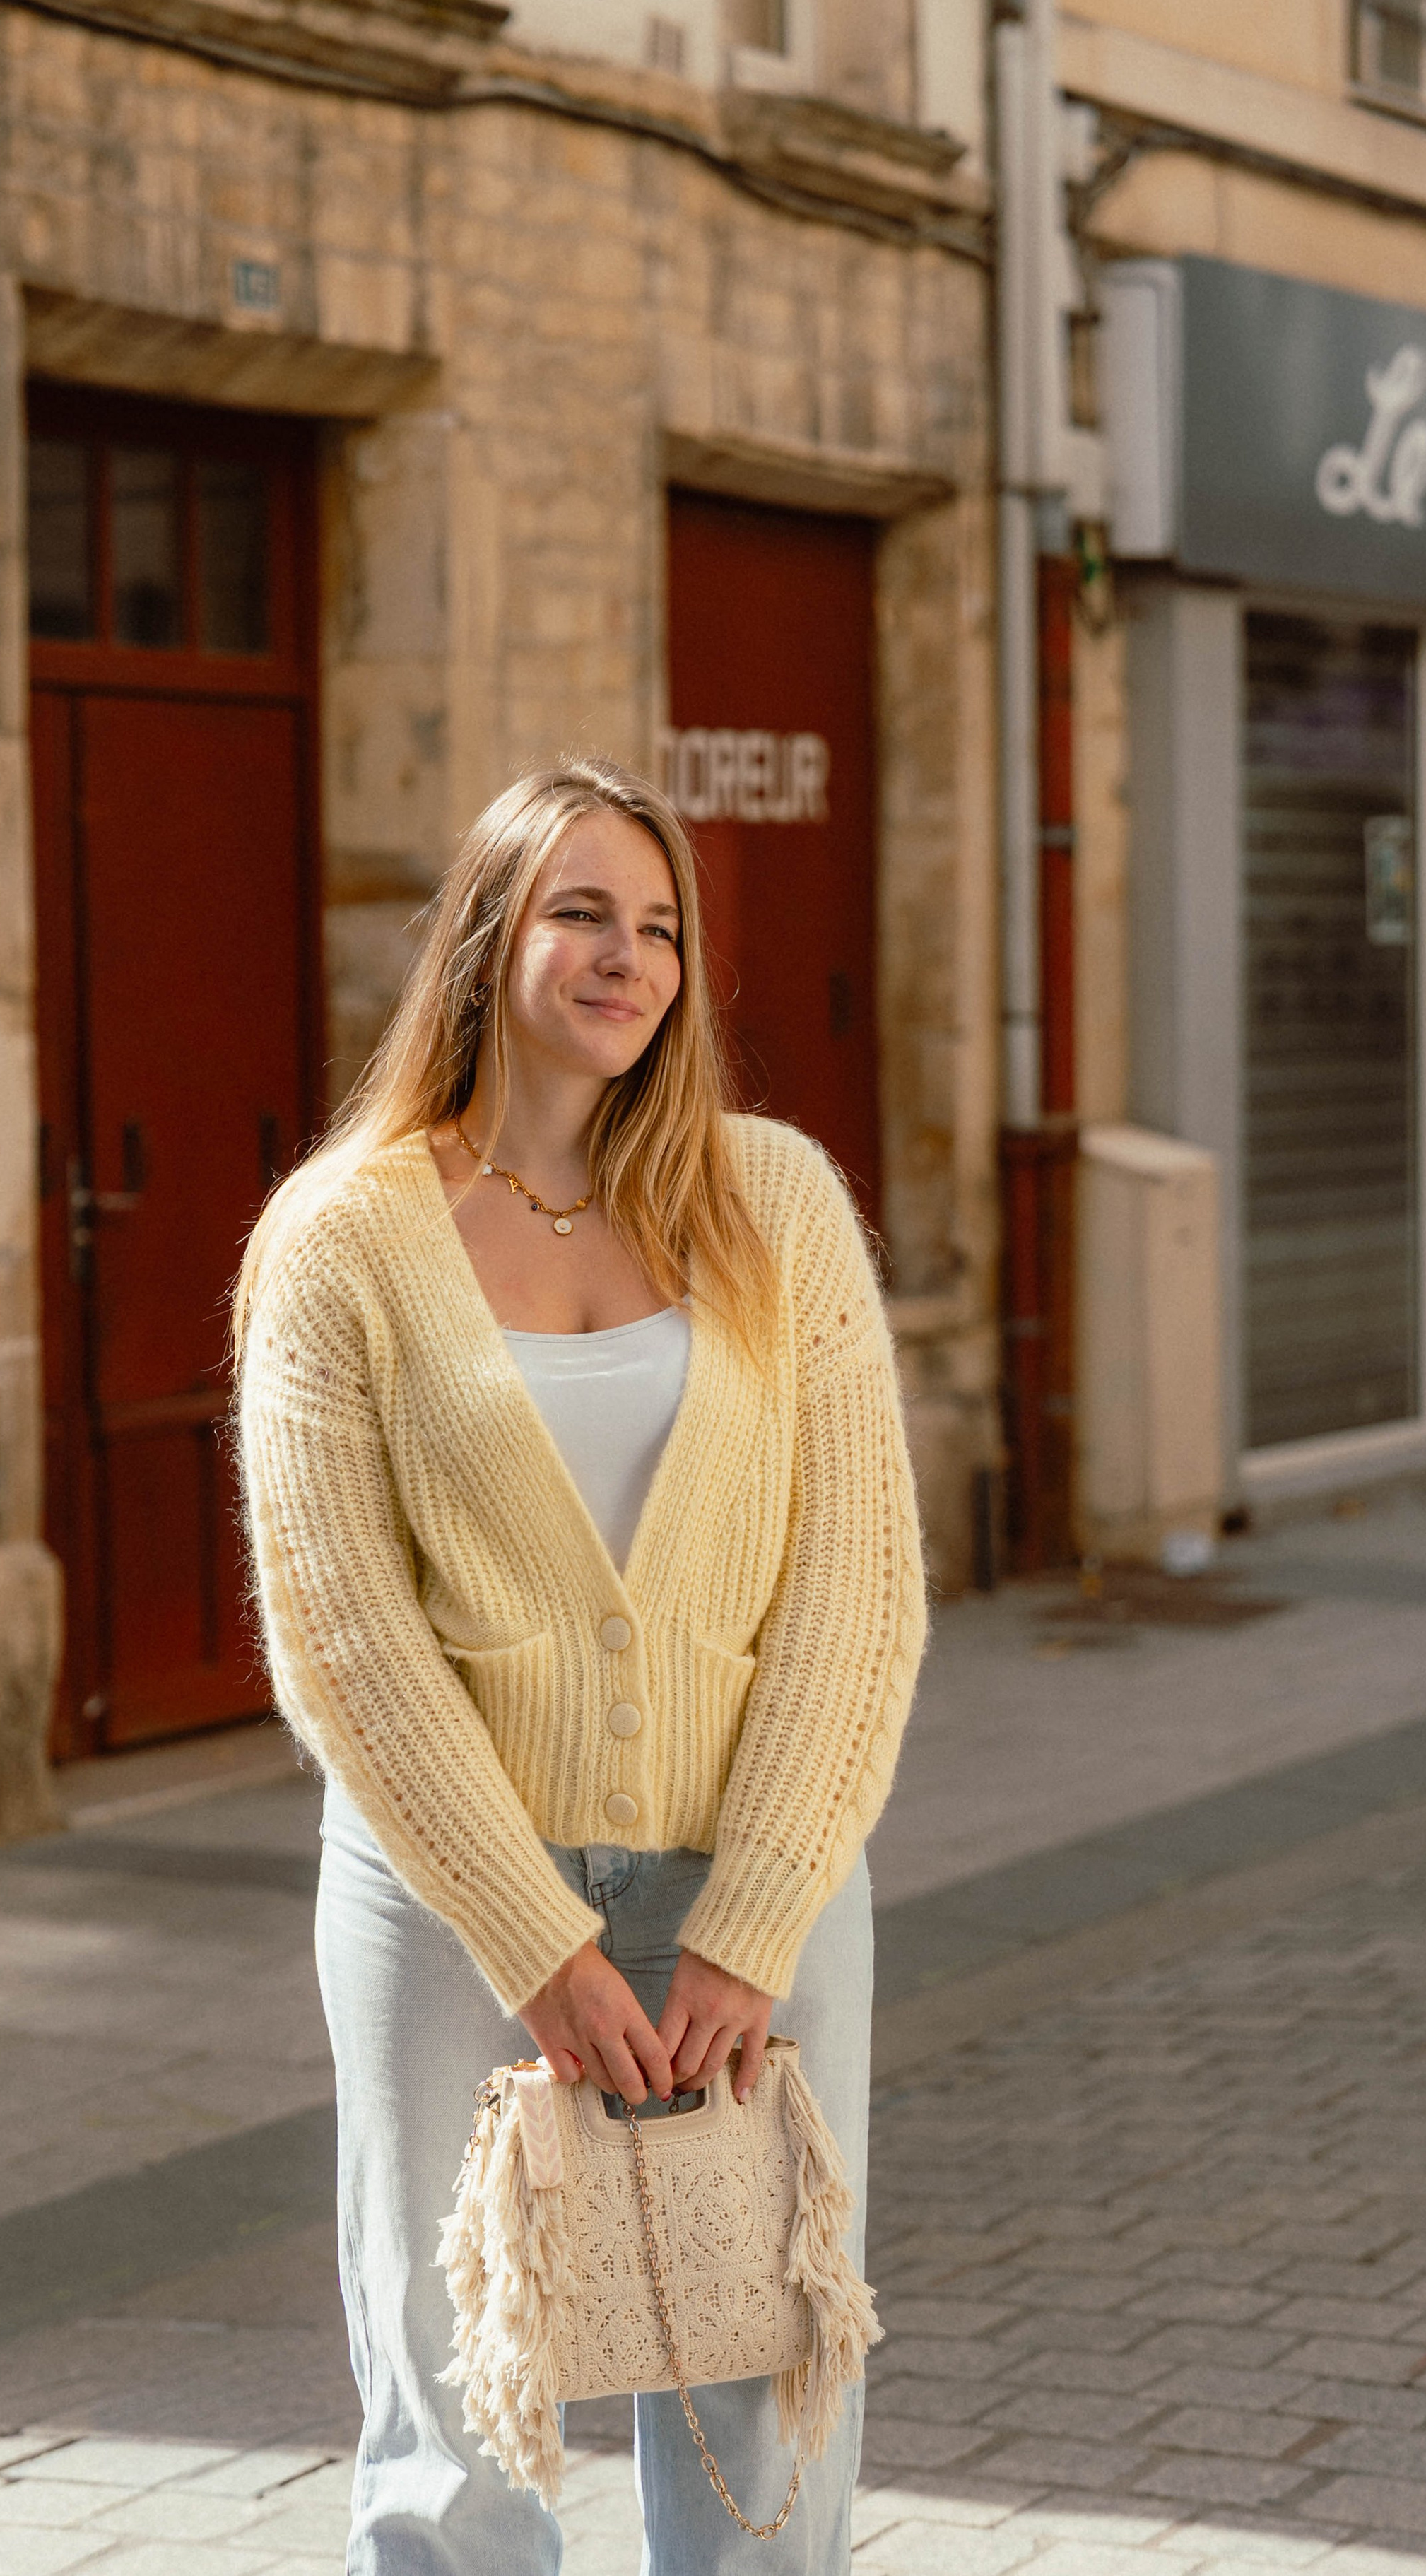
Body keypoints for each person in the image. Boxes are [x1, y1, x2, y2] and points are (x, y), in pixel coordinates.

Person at [234, 757, 927, 2575]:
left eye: (660, 925)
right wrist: (528, 1939)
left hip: (752, 1887)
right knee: (454, 2395)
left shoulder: (773, 1204)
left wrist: (756, 1910)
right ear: (486, 936)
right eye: (580, 913)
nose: (628, 957)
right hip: (448, 1904)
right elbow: (343, 1632)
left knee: (767, 2392)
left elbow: (855, 1590)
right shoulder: (341, 1237)